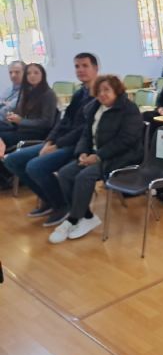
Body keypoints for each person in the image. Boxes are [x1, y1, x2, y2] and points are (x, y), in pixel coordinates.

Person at [4, 53, 98, 227]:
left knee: (34, 166)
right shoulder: (79, 94)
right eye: (77, 66)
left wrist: (57, 145)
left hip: (79, 146)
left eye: (85, 66)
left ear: (95, 68)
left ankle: (62, 204)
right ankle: (49, 200)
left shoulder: (98, 95)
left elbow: (84, 129)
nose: (80, 70)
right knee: (12, 160)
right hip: (60, 141)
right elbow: (63, 121)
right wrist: (49, 141)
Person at [49, 75, 144, 244]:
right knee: (64, 174)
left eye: (107, 90)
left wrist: (99, 156)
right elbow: (85, 134)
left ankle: (72, 219)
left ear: (117, 90)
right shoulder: (94, 107)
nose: (102, 94)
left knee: (84, 176)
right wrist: (82, 153)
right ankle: (86, 216)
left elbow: (126, 140)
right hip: (94, 155)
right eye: (99, 91)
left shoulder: (129, 109)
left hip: (121, 157)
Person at [0, 63, 57, 154]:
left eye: (36, 73)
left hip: (33, 133)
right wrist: (12, 116)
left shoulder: (48, 94)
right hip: (20, 128)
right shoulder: (27, 92)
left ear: (42, 75)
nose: (32, 76)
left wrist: (21, 121)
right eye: (28, 73)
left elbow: (46, 123)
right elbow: (20, 112)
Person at [0, 61, 25, 127]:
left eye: (17, 72)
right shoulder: (8, 89)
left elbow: (5, 111)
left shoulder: (27, 91)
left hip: (13, 127)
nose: (13, 75)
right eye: (11, 72)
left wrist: (4, 104)